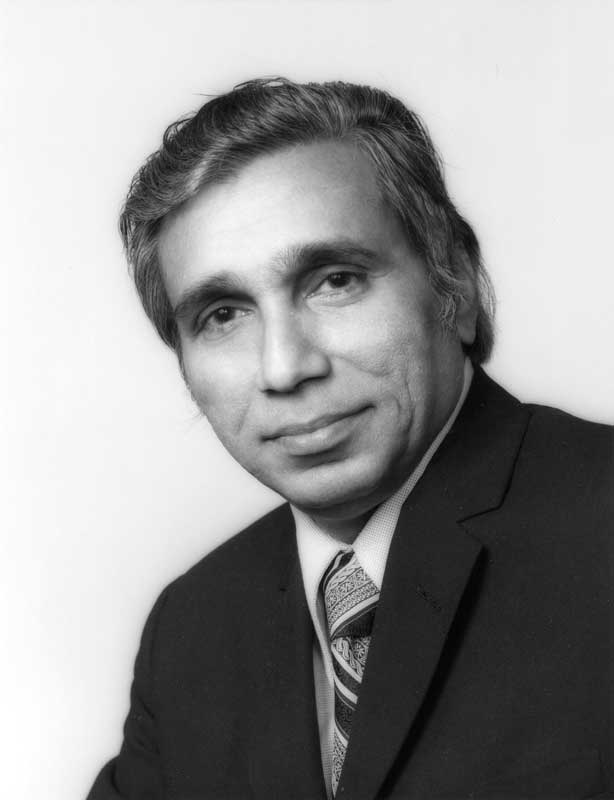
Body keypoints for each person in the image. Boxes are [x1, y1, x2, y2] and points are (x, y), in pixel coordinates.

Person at [87, 78, 613, 800]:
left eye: (334, 281)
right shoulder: (192, 630)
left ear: (457, 284)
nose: (284, 367)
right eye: (222, 315)